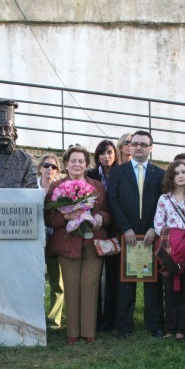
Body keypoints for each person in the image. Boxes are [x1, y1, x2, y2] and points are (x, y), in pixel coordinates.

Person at [45, 145, 110, 344]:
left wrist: (100, 218)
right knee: (72, 285)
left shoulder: (97, 187)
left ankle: (88, 332)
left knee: (89, 285)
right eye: (73, 161)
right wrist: (66, 216)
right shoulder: (57, 187)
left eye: (81, 161)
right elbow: (48, 217)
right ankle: (72, 332)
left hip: (93, 241)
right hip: (67, 244)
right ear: (66, 163)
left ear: (86, 164)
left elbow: (108, 213)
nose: (77, 164)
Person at [107, 130, 165, 339]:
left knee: (153, 282)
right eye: (135, 144)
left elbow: (162, 204)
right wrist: (125, 228)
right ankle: (124, 325)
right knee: (126, 281)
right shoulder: (118, 173)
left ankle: (155, 324)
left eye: (143, 144)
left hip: (150, 235)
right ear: (130, 147)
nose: (138, 147)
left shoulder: (160, 174)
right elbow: (112, 201)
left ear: (151, 148)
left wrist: (153, 227)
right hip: (128, 234)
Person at [153, 160, 185, 341]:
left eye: (184, 172)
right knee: (169, 290)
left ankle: (182, 329)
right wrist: (175, 241)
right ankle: (169, 328)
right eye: (176, 173)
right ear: (171, 176)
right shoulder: (164, 200)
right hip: (170, 252)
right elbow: (159, 224)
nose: (181, 176)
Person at [87, 140, 119, 331]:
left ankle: (111, 319)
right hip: (96, 229)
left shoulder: (122, 173)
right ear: (97, 156)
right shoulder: (90, 175)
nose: (106, 156)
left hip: (116, 229)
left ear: (115, 154)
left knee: (114, 276)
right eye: (102, 153)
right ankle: (96, 319)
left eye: (109, 152)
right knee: (96, 276)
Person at [38, 154, 64, 329]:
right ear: (40, 168)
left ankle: (54, 321)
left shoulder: (61, 189)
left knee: (57, 282)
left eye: (54, 167)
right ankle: (35, 318)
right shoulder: (30, 187)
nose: (50, 169)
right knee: (34, 280)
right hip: (34, 240)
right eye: (46, 165)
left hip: (55, 240)